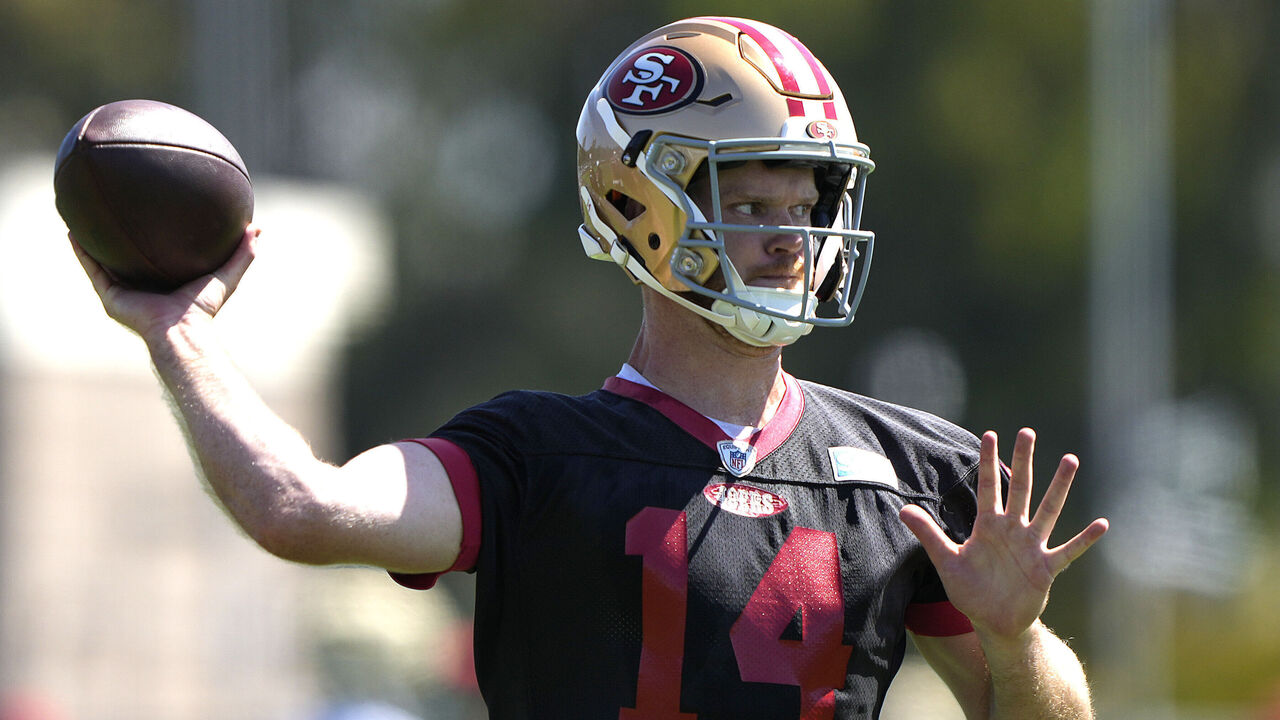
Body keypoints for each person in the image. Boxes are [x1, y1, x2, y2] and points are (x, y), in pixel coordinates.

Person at [71, 16, 1109, 720]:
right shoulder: (534, 456)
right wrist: (178, 334)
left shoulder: (903, 469)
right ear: (636, 206)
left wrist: (1012, 637)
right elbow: (301, 508)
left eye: (807, 205)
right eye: (748, 205)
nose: (789, 238)